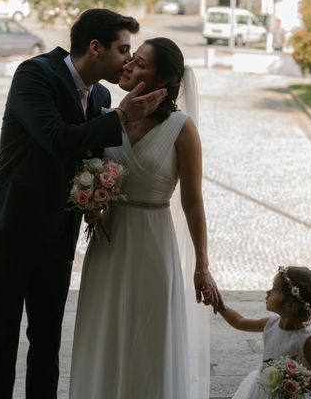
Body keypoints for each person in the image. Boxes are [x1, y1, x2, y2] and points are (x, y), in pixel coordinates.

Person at [0, 9, 167, 399]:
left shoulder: (99, 94)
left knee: (47, 343)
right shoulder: (34, 74)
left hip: (57, 234)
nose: (128, 60)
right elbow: (57, 138)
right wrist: (121, 117)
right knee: (2, 342)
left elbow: (90, 156)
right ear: (95, 48)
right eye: (123, 49)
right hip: (10, 227)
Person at [69, 38, 222, 398]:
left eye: (138, 63)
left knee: (150, 337)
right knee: (105, 331)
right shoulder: (108, 116)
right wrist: (90, 199)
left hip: (154, 241)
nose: (127, 66)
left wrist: (202, 265)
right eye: (130, 58)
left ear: (162, 82)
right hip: (110, 243)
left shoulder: (181, 129)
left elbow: (194, 203)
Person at [213, 266, 311, 399]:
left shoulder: (306, 341)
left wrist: (298, 389)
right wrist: (219, 305)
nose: (268, 292)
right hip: (263, 390)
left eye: (274, 289)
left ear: (289, 305)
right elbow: (239, 322)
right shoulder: (270, 323)